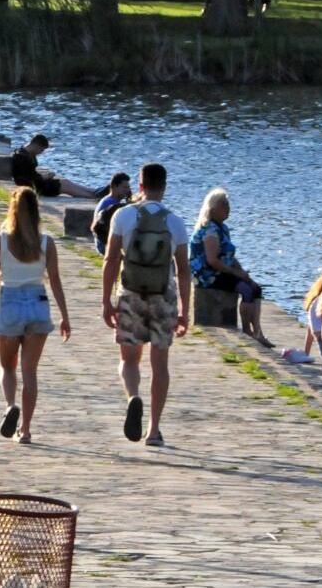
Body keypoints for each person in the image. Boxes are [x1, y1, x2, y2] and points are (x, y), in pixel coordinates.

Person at [102, 163, 191, 446]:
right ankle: (153, 430)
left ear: (140, 186)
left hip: (130, 293)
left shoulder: (123, 216)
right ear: (164, 187)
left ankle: (133, 397)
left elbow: (111, 259)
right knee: (160, 364)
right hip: (163, 296)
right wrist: (185, 311)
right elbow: (184, 270)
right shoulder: (175, 222)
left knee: (129, 360)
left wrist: (106, 300)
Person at [0, 187, 72, 444]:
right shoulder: (47, 243)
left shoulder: (0, 240)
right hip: (38, 304)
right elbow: (55, 281)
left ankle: (11, 404)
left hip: (9, 302)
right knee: (30, 371)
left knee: (7, 367)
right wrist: (65, 316)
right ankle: (26, 429)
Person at [188, 188, 271, 348]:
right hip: (208, 276)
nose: (228, 208)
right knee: (246, 290)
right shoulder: (209, 230)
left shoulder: (222, 228)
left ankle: (258, 331)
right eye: (224, 205)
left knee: (255, 288)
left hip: (222, 272)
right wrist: (235, 273)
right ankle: (247, 331)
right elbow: (212, 261)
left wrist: (242, 272)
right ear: (213, 208)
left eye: (228, 204)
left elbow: (229, 256)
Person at [10, 135, 97, 199]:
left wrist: (44, 176)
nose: (41, 152)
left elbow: (30, 174)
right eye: (41, 149)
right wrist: (45, 176)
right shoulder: (21, 157)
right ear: (36, 145)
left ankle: (93, 191)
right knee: (64, 186)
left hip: (36, 184)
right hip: (34, 187)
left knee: (65, 182)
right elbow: (27, 179)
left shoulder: (27, 153)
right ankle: (92, 195)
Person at [91, 172, 132, 255]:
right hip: (104, 245)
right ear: (114, 186)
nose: (127, 190)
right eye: (124, 187)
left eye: (128, 188)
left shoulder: (109, 200)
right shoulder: (110, 204)